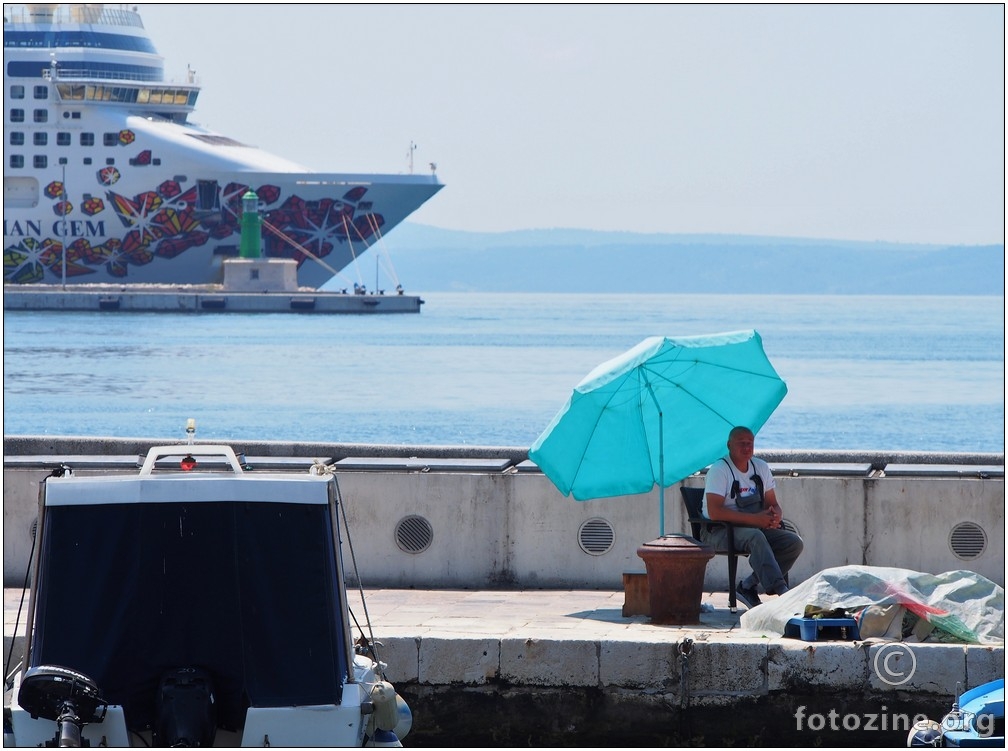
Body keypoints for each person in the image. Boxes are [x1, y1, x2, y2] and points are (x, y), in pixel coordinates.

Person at [701, 425, 803, 609]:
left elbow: (772, 503)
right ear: (729, 445)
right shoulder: (719, 470)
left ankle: (747, 585)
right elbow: (715, 512)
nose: (747, 447)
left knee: (793, 542)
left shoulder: (761, 467)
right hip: (719, 531)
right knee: (756, 536)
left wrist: (775, 516)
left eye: (750, 443)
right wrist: (756, 520)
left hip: (755, 529)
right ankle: (782, 591)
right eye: (741, 443)